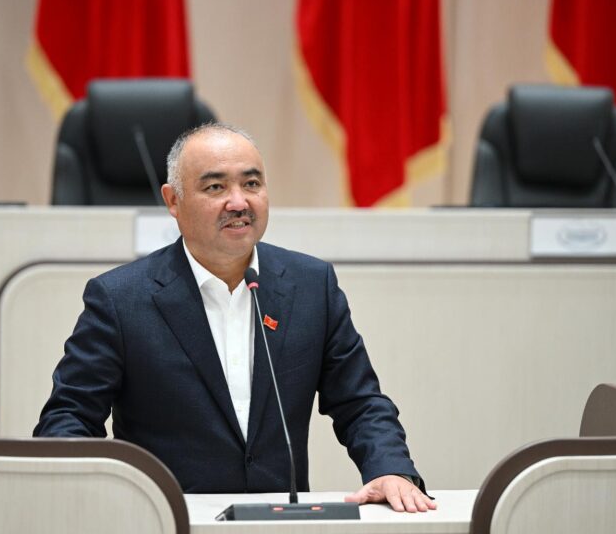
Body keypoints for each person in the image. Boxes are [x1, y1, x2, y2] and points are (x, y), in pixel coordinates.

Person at [34, 123, 436, 513]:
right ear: (173, 201)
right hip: (168, 520)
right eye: (215, 187)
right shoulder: (121, 299)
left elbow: (360, 402)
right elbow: (68, 417)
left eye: (252, 183)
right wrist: (93, 500)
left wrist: (389, 468)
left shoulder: (312, 286)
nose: (239, 202)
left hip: (280, 523)